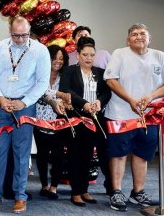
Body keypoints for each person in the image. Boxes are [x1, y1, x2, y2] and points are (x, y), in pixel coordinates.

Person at [0, 16, 51, 214]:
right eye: (16, 35)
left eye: (24, 35)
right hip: (1, 105)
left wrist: (25, 102)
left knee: (21, 153)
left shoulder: (40, 50)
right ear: (9, 30)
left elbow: (42, 82)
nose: (20, 39)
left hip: (24, 106)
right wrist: (0, 97)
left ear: (29, 31)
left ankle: (20, 196)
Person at [104, 23, 164, 212]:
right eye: (134, 34)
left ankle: (138, 192)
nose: (139, 37)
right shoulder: (119, 54)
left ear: (149, 38)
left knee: (142, 155)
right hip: (120, 115)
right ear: (128, 39)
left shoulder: (159, 56)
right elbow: (111, 80)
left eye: (142, 33)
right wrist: (130, 99)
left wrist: (151, 96)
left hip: (149, 116)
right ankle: (117, 192)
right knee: (119, 154)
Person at [59, 37, 111, 207]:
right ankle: (75, 192)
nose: (89, 58)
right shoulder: (69, 71)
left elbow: (106, 93)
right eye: (85, 55)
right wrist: (84, 104)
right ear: (78, 55)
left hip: (94, 120)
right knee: (75, 156)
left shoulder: (99, 72)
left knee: (89, 157)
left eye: (92, 55)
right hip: (76, 118)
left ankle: (84, 189)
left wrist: (99, 102)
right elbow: (67, 90)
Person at [34, 45, 70, 200]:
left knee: (58, 156)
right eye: (54, 58)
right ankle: (43, 185)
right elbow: (39, 91)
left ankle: (53, 187)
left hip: (59, 123)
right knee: (41, 155)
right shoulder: (38, 75)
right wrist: (58, 94)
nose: (58, 61)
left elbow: (70, 94)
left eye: (61, 59)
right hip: (39, 121)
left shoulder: (66, 76)